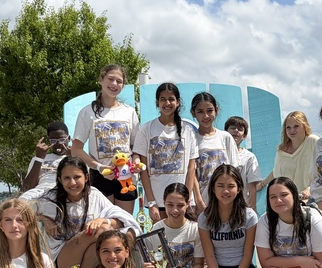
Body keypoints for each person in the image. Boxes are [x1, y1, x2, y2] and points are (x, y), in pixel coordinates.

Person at [39, 156, 138, 268]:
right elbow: (20, 211)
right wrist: (44, 219)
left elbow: (121, 220)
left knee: (121, 236)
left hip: (86, 262)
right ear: (60, 180)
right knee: (101, 230)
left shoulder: (94, 195)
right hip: (61, 260)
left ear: (86, 177)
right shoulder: (49, 198)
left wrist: (104, 220)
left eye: (77, 177)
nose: (72, 183)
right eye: (67, 178)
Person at [71, 64, 140, 214]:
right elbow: (75, 150)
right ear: (101, 80)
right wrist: (99, 167)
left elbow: (136, 148)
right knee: (104, 227)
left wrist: (136, 162)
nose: (114, 84)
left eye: (119, 81)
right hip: (100, 177)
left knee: (124, 224)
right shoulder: (87, 112)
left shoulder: (129, 112)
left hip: (125, 176)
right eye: (110, 79)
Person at [134, 83, 202, 225]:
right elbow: (143, 170)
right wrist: (152, 202)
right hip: (158, 202)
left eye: (171, 99)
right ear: (157, 102)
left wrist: (187, 199)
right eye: (163, 99)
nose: (167, 103)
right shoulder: (146, 129)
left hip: (183, 202)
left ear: (177, 102)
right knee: (161, 243)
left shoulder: (188, 130)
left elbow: (191, 169)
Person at [190, 92, 238, 209]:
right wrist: (199, 201)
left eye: (209, 110)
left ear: (216, 110)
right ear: (193, 113)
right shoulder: (191, 138)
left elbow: (234, 170)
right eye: (200, 111)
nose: (206, 116)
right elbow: (192, 173)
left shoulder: (225, 137)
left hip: (225, 201)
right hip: (203, 203)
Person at [259, 111, 319, 199]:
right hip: (287, 200)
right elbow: (276, 172)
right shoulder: (281, 150)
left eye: (296, 126)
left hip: (311, 198)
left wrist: (311, 189)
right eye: (288, 127)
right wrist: (262, 184)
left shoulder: (312, 141)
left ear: (304, 126)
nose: (292, 130)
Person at [20, 121, 72, 204]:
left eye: (61, 140)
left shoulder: (76, 157)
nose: (58, 144)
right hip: (41, 193)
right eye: (53, 141)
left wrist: (71, 159)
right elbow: (26, 188)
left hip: (64, 192)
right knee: (21, 201)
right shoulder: (39, 158)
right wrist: (39, 158)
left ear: (68, 138)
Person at [225, 116, 263, 209]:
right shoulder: (218, 153)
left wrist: (253, 208)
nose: (236, 131)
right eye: (233, 128)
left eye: (240, 129)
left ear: (244, 136)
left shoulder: (249, 157)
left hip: (240, 206)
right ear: (225, 133)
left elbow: (252, 185)